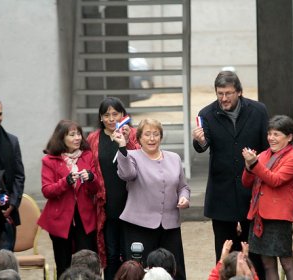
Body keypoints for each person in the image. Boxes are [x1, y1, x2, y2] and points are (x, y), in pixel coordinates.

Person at [192, 71, 268, 277]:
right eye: (220, 94)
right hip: (221, 194)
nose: (223, 98)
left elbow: (267, 148)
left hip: (252, 193)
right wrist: (199, 141)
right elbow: (203, 145)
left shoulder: (259, 111)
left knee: (253, 253)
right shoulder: (206, 114)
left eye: (228, 93)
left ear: (239, 92)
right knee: (224, 252)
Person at [112, 118, 190, 280]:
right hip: (138, 225)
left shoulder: (174, 158)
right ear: (139, 138)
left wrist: (184, 198)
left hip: (169, 225)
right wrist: (122, 147)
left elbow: (183, 187)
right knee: (139, 271)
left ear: (161, 137)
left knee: (175, 270)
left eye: (156, 134)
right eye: (147, 134)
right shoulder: (131, 156)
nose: (152, 138)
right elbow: (127, 174)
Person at [242, 115, 293, 280]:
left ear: (289, 137)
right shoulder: (263, 155)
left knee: (286, 262)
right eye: (269, 133)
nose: (271, 138)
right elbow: (247, 182)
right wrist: (248, 166)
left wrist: (254, 164)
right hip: (259, 215)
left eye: (276, 134)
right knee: (267, 264)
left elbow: (275, 180)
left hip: (278, 218)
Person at [37, 120, 99, 278]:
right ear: (61, 138)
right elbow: (47, 190)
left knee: (87, 262)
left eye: (78, 133)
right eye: (72, 135)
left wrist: (91, 177)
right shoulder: (49, 160)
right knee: (63, 265)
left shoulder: (87, 156)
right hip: (60, 220)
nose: (77, 137)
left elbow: (95, 189)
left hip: (84, 219)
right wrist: (66, 182)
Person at [87, 97, 140, 280]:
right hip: (106, 206)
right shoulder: (93, 139)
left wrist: (127, 140)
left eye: (115, 114)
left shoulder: (132, 134)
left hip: (131, 203)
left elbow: (140, 160)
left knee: (130, 255)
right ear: (100, 118)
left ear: (123, 115)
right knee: (110, 255)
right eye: (106, 115)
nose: (111, 119)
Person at [0, 96, 25, 251]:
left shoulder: (12, 141)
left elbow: (19, 176)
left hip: (7, 216)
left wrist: (12, 204)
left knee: (5, 266)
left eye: (0, 114)